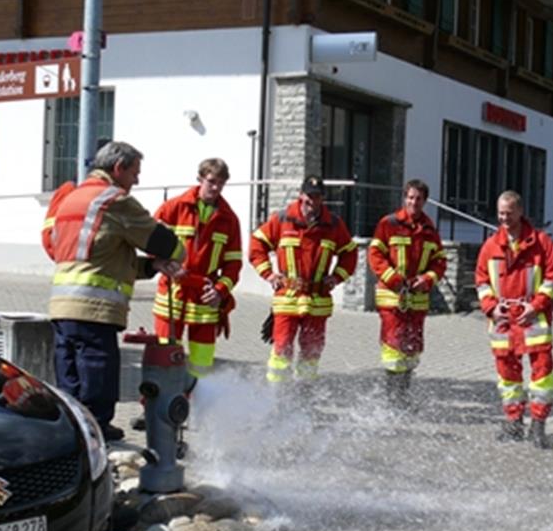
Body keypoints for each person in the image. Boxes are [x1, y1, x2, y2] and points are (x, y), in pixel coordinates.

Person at [46, 141, 185, 441]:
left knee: (70, 385)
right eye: (135, 172)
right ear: (118, 168)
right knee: (98, 383)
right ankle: (97, 443)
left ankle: (73, 439)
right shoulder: (114, 200)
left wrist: (150, 267)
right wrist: (175, 255)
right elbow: (164, 242)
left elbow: (103, 258)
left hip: (62, 308)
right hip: (94, 310)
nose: (137, 180)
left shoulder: (72, 199)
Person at [248, 175, 356, 386]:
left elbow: (350, 253)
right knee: (281, 350)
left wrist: (336, 277)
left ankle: (305, 395)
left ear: (322, 199)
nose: (311, 203)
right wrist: (269, 274)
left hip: (317, 300)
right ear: (301, 195)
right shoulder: (282, 219)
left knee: (311, 352)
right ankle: (276, 395)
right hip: (287, 297)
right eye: (308, 197)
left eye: (316, 198)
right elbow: (257, 245)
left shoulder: (333, 225)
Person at [474, 191, 553, 448]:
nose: (503, 218)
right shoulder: (490, 246)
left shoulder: (541, 243)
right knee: (507, 375)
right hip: (503, 320)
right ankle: (513, 423)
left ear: (520, 211)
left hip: (533, 319)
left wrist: (536, 306)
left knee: (542, 373)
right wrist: (491, 308)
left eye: (508, 213)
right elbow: (481, 281)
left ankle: (538, 425)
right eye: (500, 213)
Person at [150, 158, 243, 379]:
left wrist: (220, 290)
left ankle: (196, 408)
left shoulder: (229, 220)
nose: (216, 187)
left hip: (205, 298)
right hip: (172, 294)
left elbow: (234, 264)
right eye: (211, 181)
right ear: (199, 178)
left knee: (202, 362)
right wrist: (166, 264)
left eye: (221, 183)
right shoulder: (172, 208)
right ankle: (157, 411)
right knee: (163, 359)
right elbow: (150, 243)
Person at [367, 179, 447, 407]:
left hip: (418, 299)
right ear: (404, 198)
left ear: (425, 201)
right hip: (392, 297)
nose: (414, 202)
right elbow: (375, 255)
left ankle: (403, 395)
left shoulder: (430, 229)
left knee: (412, 347)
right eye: (410, 197)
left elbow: (439, 261)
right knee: (393, 346)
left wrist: (428, 279)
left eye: (419, 198)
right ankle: (392, 399)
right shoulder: (388, 223)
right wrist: (393, 279)